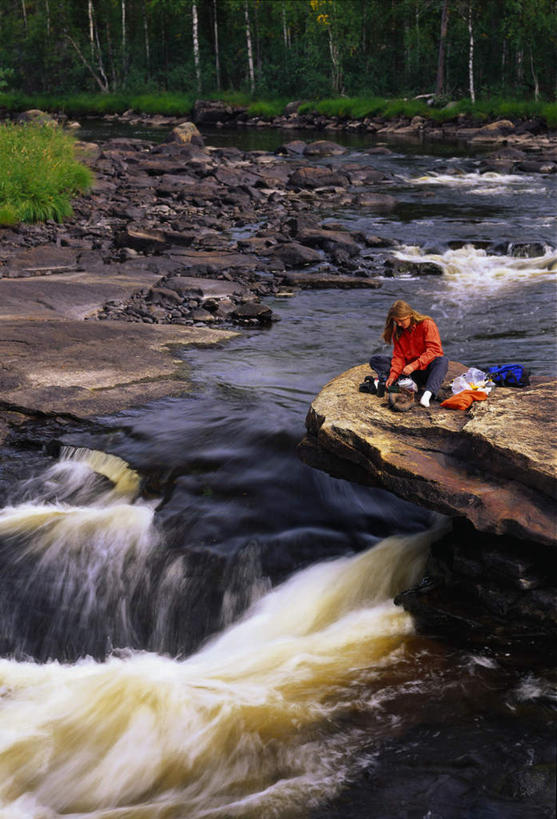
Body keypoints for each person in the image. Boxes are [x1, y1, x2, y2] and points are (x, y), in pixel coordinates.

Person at [368, 300, 448, 408]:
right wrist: (393, 374)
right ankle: (399, 384)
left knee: (442, 361)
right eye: (397, 322)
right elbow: (399, 356)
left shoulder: (427, 324)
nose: (399, 324)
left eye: (401, 320)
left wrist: (414, 365)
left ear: (410, 315)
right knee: (376, 360)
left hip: (425, 369)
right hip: (409, 373)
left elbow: (434, 350)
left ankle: (427, 394)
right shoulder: (398, 330)